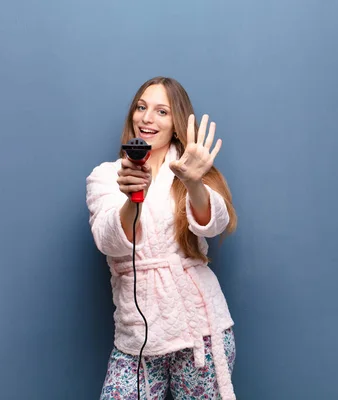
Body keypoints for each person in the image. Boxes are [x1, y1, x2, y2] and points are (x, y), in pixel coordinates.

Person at [86, 76, 238, 400]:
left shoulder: (188, 170)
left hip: (200, 330)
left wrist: (194, 182)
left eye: (161, 111)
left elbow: (215, 223)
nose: (147, 118)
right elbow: (108, 241)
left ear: (176, 123)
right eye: (141, 108)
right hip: (137, 334)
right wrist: (132, 198)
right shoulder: (105, 177)